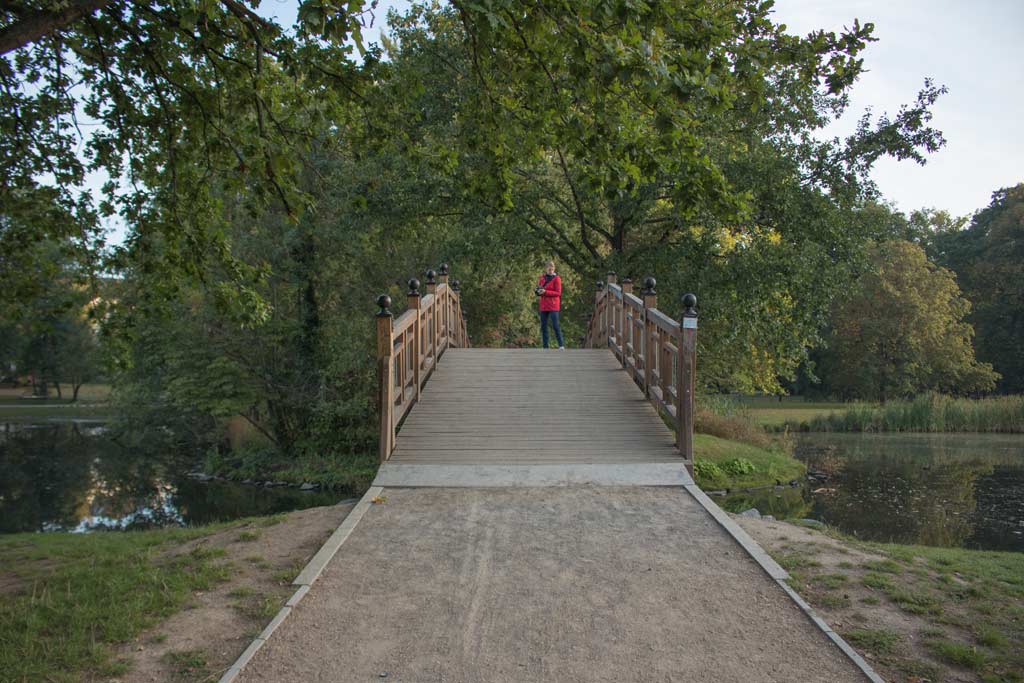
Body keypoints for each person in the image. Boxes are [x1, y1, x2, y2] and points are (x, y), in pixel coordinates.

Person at [536, 260, 565, 349]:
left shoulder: (557, 279)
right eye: (549, 269)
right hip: (544, 305)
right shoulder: (542, 278)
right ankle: (545, 346)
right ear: (546, 269)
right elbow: (539, 289)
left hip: (553, 305)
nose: (550, 270)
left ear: (554, 268)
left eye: (552, 268)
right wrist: (538, 291)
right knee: (543, 326)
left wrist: (545, 292)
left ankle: (561, 345)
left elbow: (558, 293)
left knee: (555, 325)